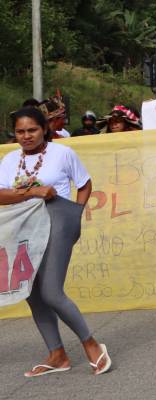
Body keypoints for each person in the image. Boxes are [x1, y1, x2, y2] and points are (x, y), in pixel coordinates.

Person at [0, 107, 112, 377]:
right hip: (23, 228)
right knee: (34, 295)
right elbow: (1, 196)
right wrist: (32, 191)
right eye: (20, 131)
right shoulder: (9, 159)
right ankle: (57, 354)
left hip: (57, 222)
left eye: (32, 130)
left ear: (44, 129)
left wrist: (76, 213)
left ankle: (91, 344)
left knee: (51, 291)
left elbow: (84, 184)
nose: (26, 136)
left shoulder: (63, 153)